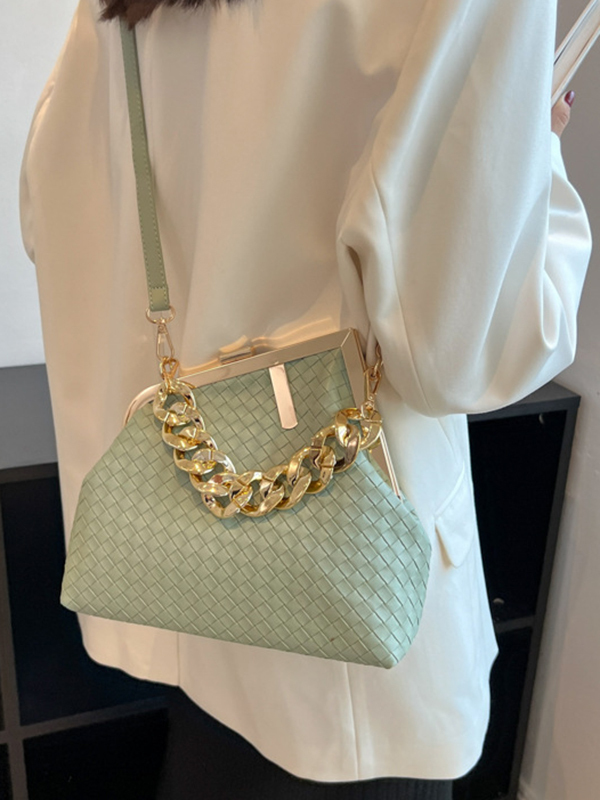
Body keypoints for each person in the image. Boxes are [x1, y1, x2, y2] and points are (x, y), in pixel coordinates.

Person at [19, 0, 592, 797]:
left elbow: (49, 206)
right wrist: (535, 157)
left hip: (186, 600)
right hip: (348, 668)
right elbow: (468, 350)